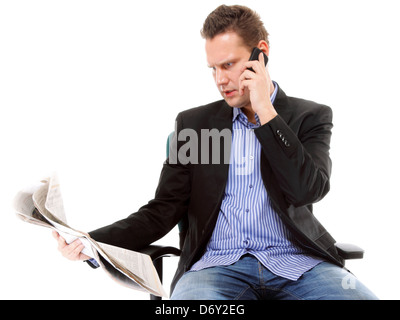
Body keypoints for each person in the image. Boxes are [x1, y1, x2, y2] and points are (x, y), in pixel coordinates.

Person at [53, 5, 377, 300]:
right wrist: (92, 242)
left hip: (299, 265)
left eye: (229, 65)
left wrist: (265, 110)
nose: (220, 80)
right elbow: (163, 209)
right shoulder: (196, 126)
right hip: (216, 268)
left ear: (260, 55)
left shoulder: (309, 116)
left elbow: (307, 189)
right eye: (213, 69)